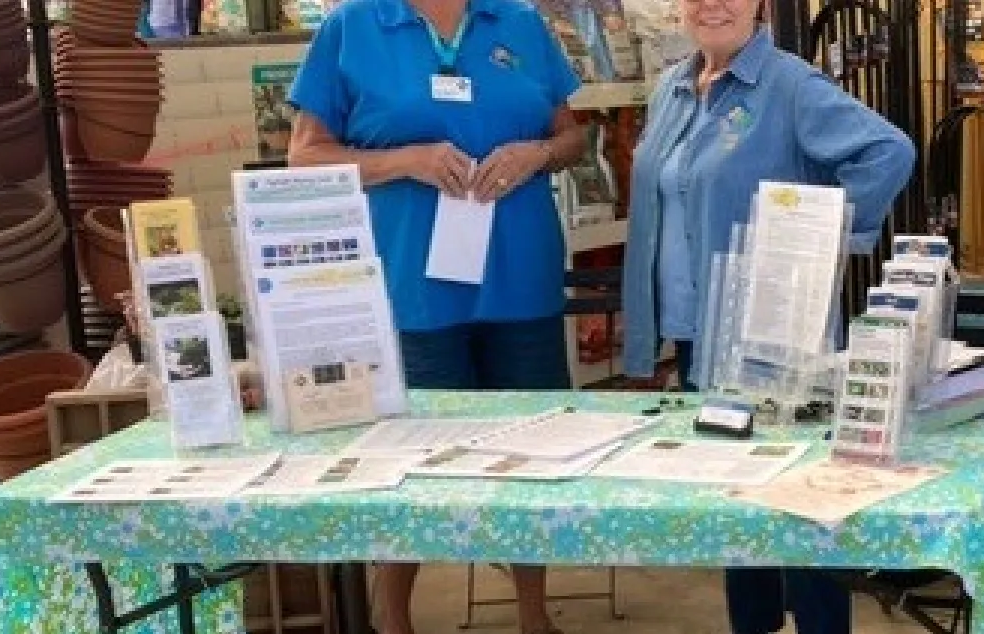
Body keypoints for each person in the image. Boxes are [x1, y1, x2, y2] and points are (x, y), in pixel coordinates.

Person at [285, 0, 586, 631]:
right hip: (411, 286)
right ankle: (394, 619)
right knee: (407, 458)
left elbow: (572, 137)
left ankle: (534, 616)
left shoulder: (519, 22)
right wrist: (404, 161)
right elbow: (304, 156)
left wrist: (536, 153)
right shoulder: (353, 26)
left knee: (530, 452)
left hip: (520, 278)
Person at [618, 0, 916, 630]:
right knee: (736, 504)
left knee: (800, 511)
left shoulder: (790, 86)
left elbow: (890, 152)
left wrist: (815, 235)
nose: (713, 5)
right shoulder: (672, 88)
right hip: (699, 337)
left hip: (774, 343)